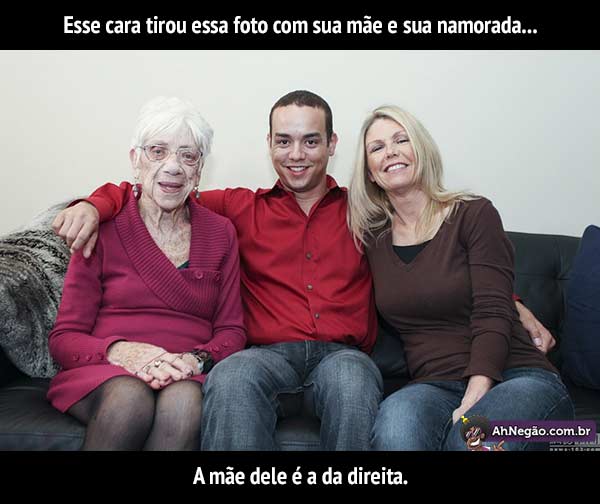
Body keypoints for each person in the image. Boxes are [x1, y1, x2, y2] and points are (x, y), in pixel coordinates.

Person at [52, 91, 555, 450]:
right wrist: (97, 204)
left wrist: (509, 301)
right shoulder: (237, 209)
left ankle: (569, 436)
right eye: (284, 141)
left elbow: (439, 256)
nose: (297, 155)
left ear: (332, 145)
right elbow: (164, 187)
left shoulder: (368, 214)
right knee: (232, 378)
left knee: (372, 391)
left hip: (346, 356)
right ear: (269, 144)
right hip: (267, 355)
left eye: (311, 141)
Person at [347, 105, 574, 450]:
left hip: (516, 376)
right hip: (433, 385)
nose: (390, 151)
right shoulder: (372, 239)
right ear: (370, 173)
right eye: (377, 148)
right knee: (395, 434)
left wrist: (475, 394)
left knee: (471, 442)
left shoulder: (473, 214)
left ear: (421, 150)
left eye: (401, 140)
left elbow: (492, 307)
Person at [47, 96, 246, 450]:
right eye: (158, 151)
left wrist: (195, 359)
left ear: (200, 170)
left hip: (185, 373)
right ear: (135, 160)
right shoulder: (102, 227)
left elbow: (232, 331)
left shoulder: (221, 232)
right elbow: (65, 338)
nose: (173, 167)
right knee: (129, 398)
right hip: (107, 370)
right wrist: (123, 352)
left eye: (188, 156)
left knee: (184, 402)